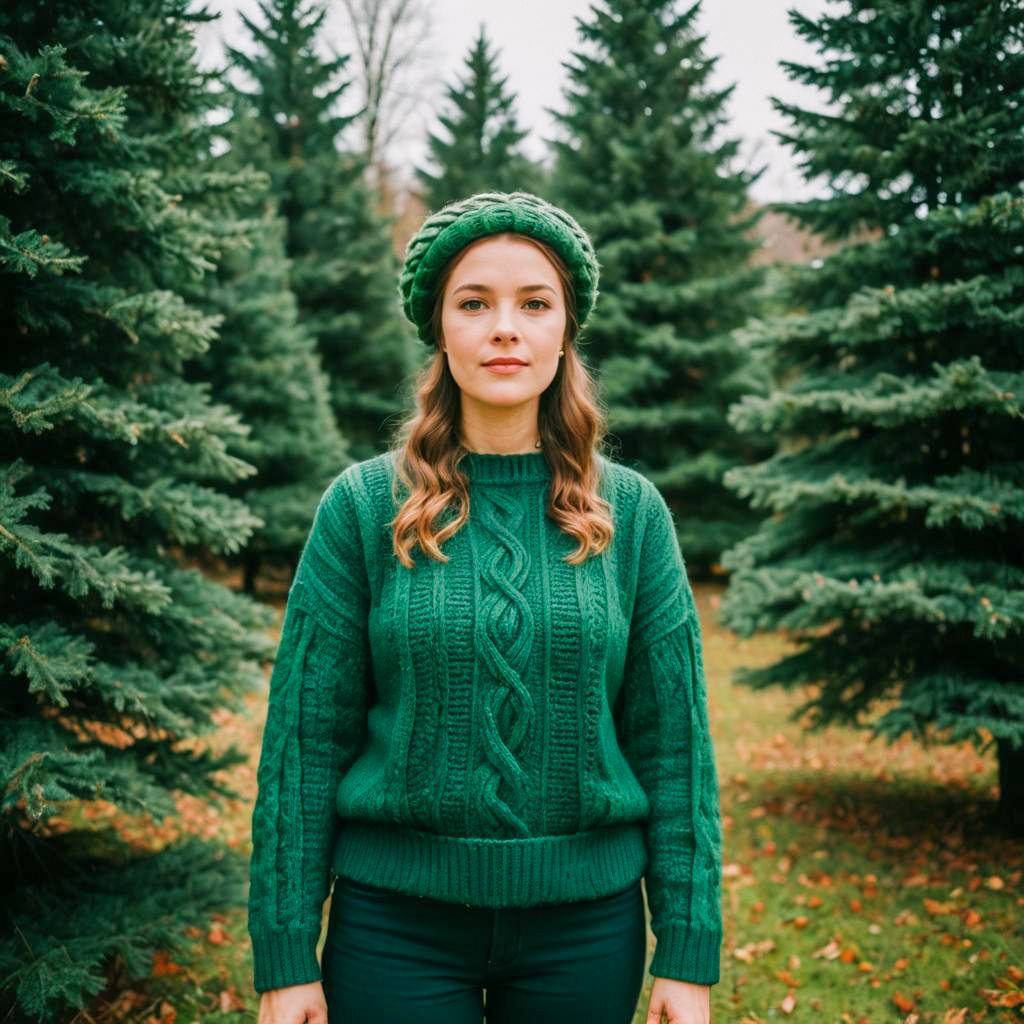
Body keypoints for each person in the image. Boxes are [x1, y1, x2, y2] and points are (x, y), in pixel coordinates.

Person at [247, 191, 724, 1024]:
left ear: (564, 331)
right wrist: (287, 953)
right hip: (393, 928)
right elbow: (304, 743)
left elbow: (675, 746)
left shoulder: (633, 514)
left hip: (586, 931)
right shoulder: (363, 508)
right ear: (441, 328)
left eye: (534, 304)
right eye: (475, 303)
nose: (505, 327)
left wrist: (686, 947)